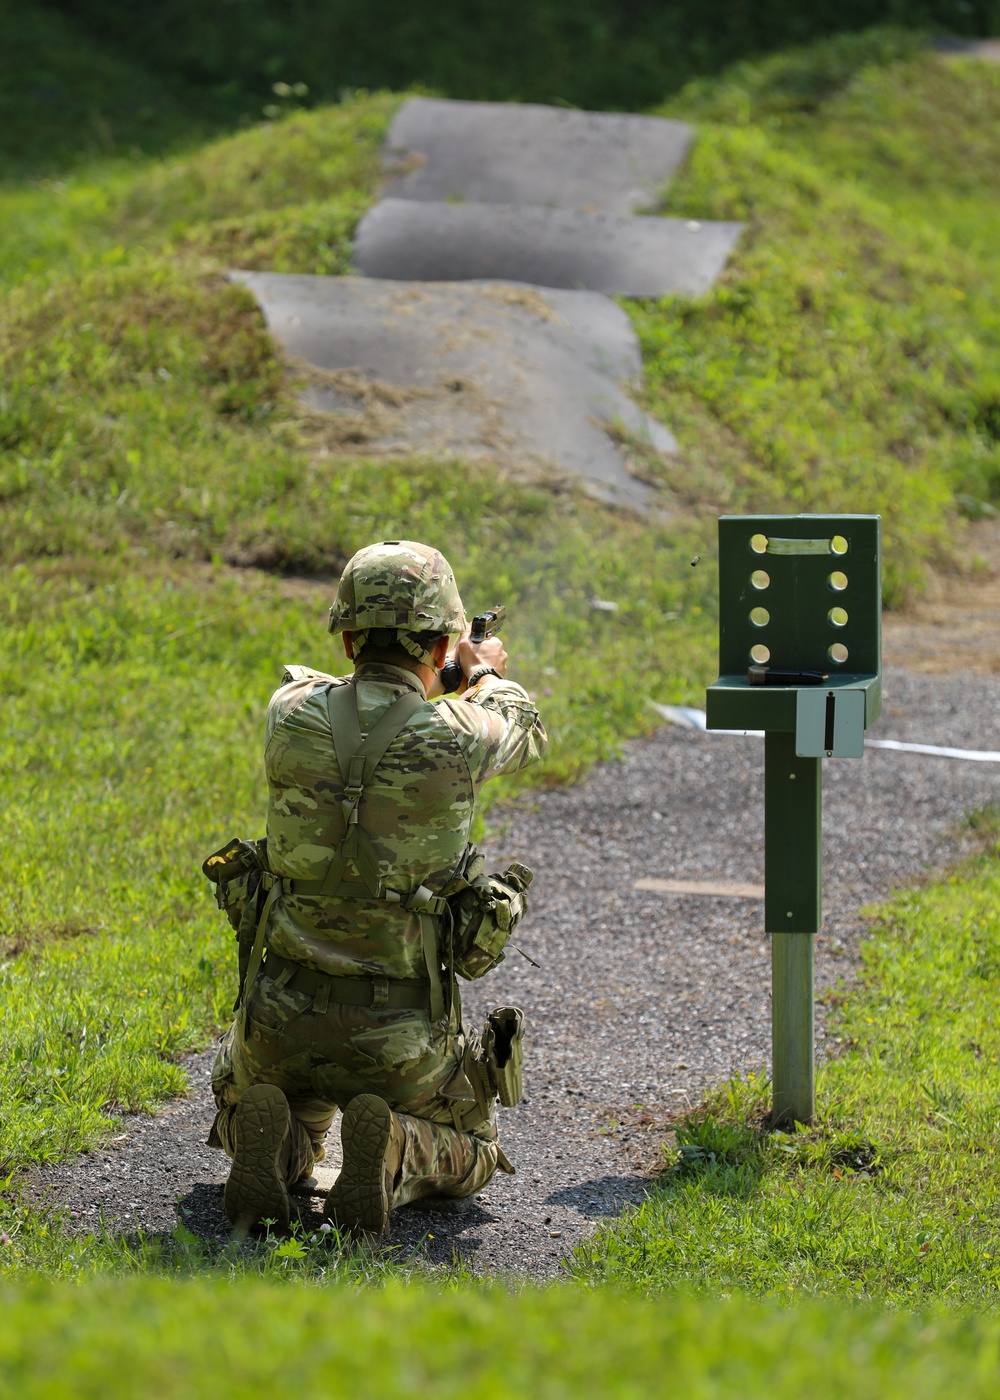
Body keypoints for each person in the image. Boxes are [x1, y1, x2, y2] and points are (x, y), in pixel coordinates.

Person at [206, 539, 547, 1234]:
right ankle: (392, 1146)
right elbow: (524, 726)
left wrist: (431, 675)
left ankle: (278, 1150)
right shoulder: (459, 734)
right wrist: (479, 674)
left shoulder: (288, 714)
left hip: (280, 1017)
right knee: (476, 1151)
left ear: (349, 634)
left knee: (268, 1098)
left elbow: (351, 705)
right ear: (445, 641)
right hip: (400, 1038)